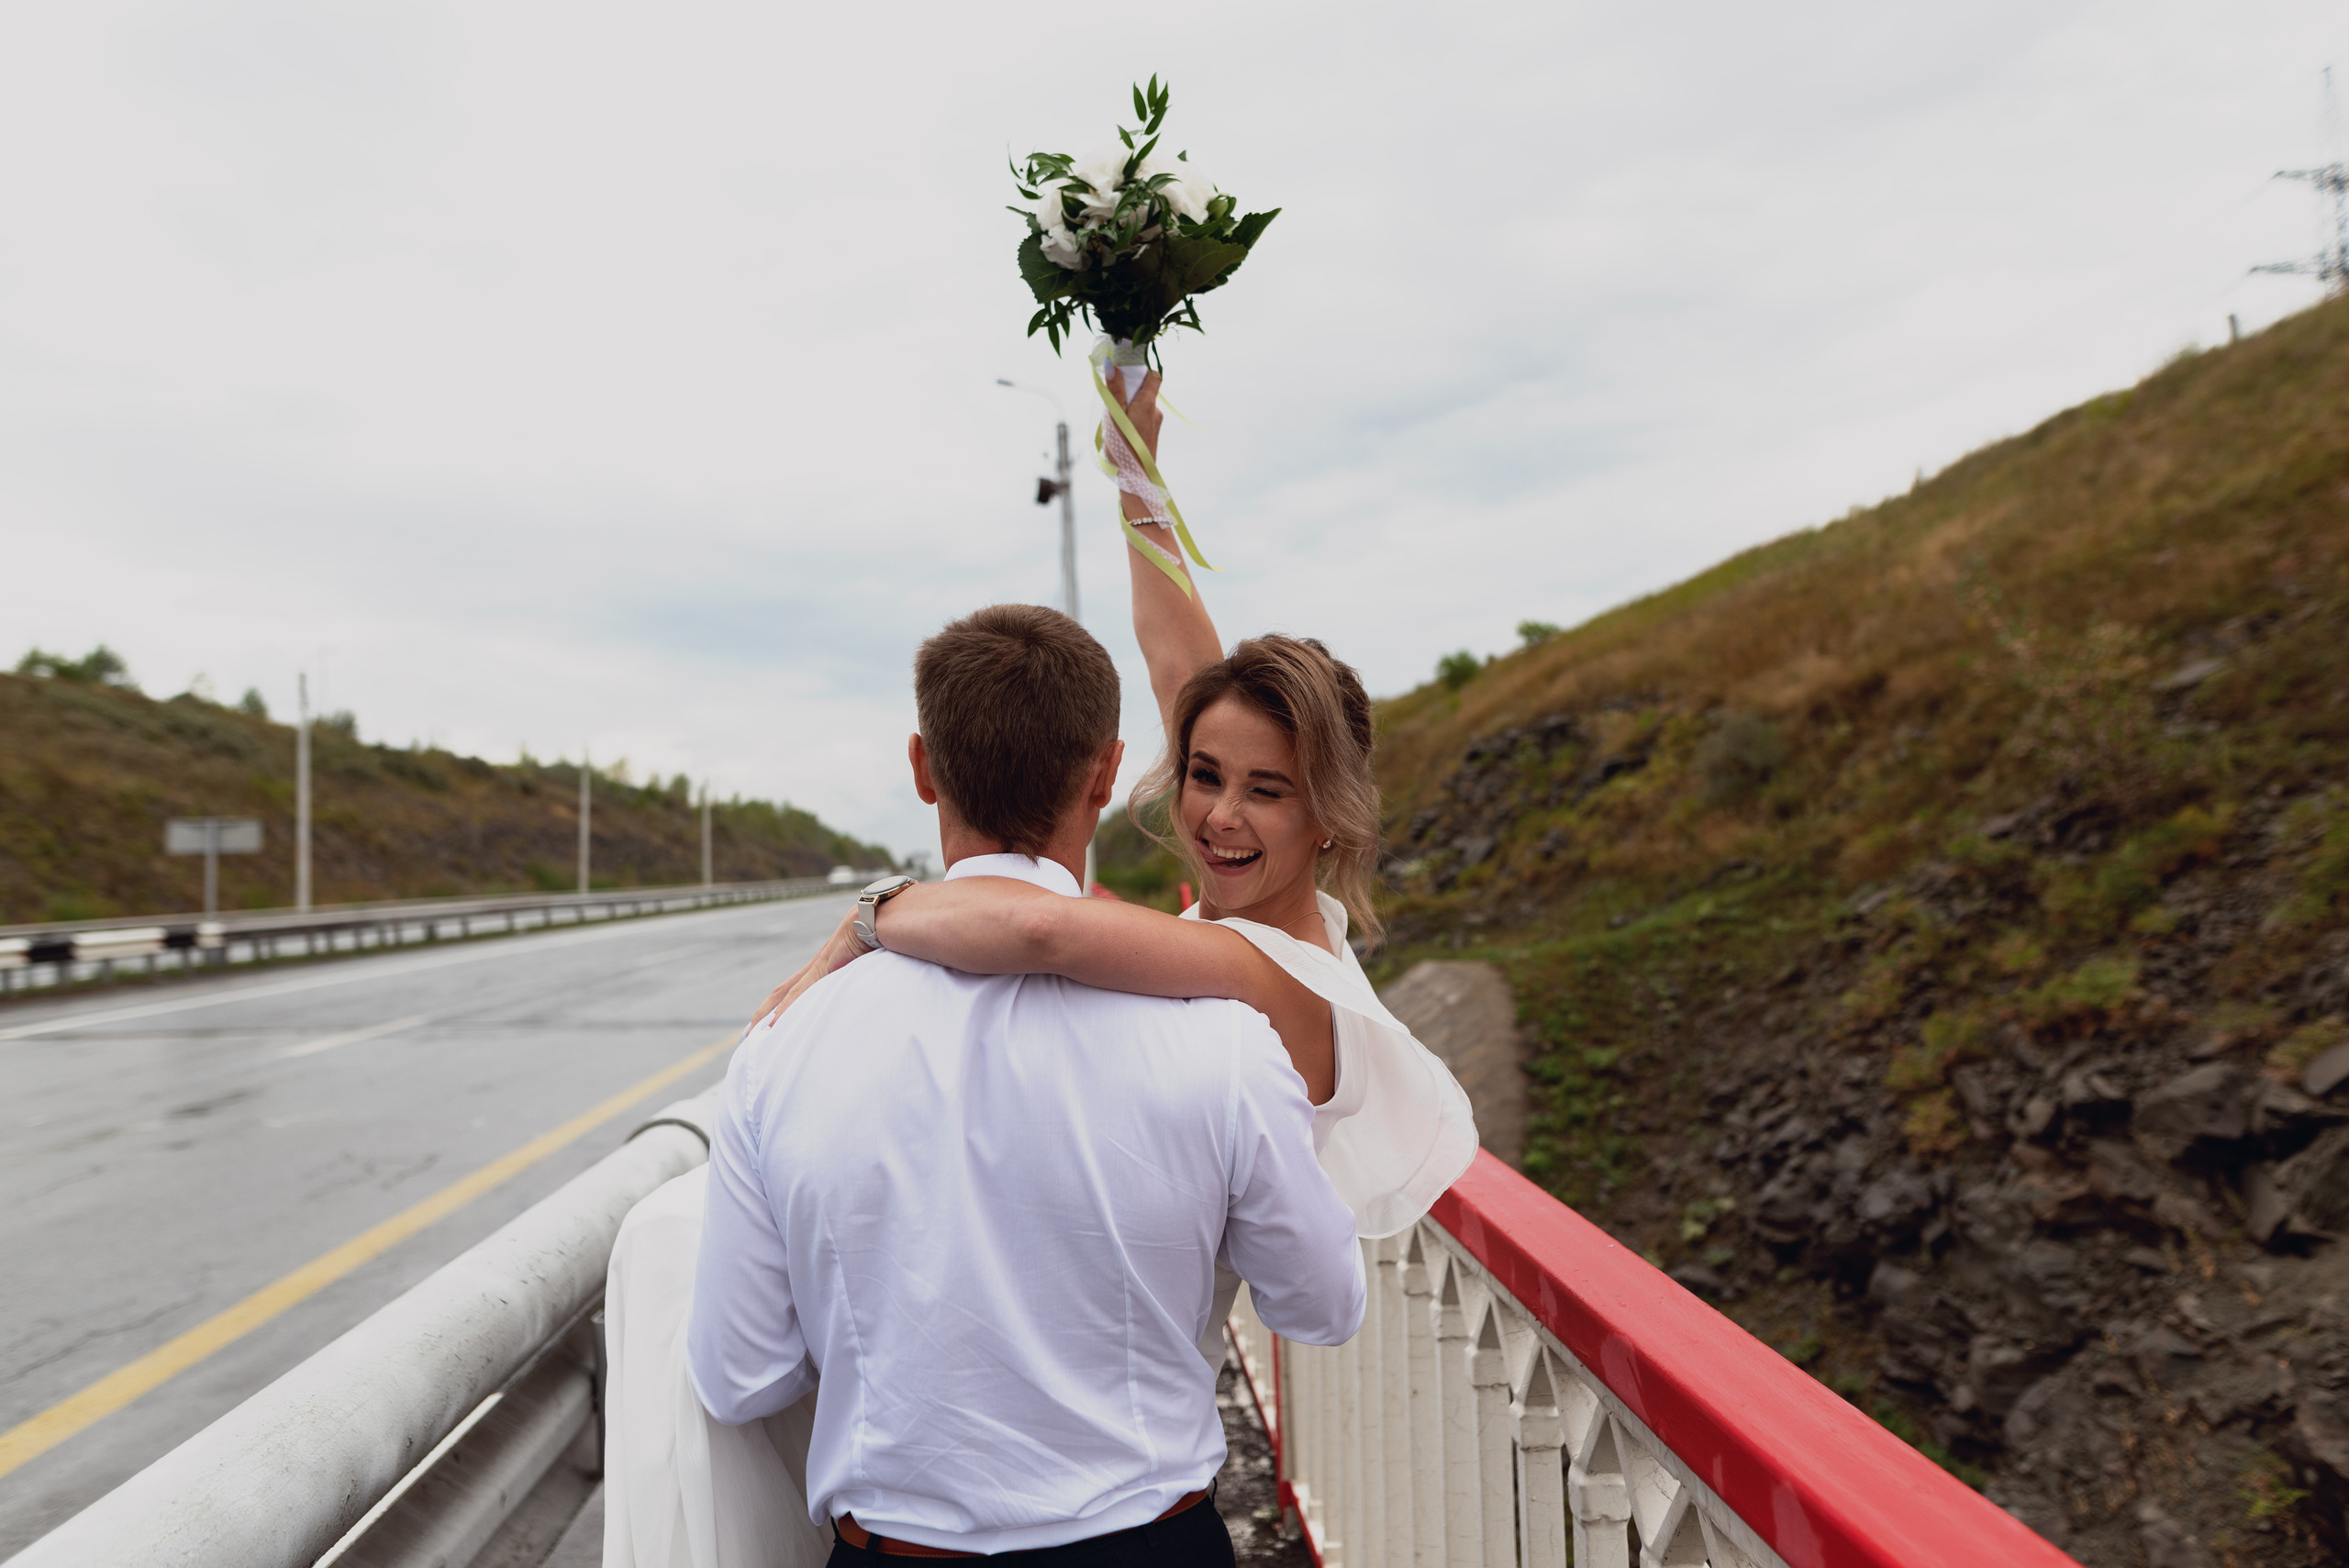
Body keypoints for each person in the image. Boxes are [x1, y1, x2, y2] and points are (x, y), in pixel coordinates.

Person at [607, 605, 1365, 1568]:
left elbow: (740, 1374)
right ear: (1105, 771)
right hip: (1149, 1544)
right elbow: (1322, 1305)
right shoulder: (1224, 1039)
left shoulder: (785, 1041)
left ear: (924, 767)